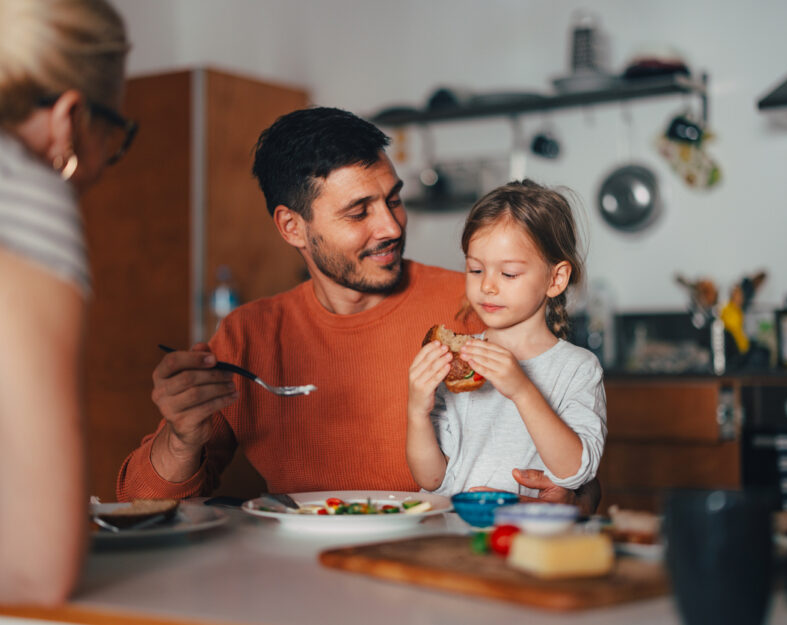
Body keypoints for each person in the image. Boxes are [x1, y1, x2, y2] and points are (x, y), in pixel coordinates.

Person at [117, 107, 600, 512]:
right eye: (358, 211)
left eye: (393, 200)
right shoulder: (249, 336)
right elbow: (139, 504)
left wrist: (572, 497)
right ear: (292, 227)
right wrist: (182, 438)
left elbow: (580, 469)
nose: (390, 225)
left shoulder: (481, 307)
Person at [0, 0, 132, 603]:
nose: (106, 162)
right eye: (116, 134)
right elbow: (36, 569)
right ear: (69, 117)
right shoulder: (27, 189)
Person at [407, 180, 606, 497]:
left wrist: (522, 390)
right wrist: (417, 411)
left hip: (528, 540)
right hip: (451, 535)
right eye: (475, 270)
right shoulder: (459, 364)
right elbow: (431, 479)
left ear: (555, 279)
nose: (487, 286)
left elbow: (574, 473)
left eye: (508, 273)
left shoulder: (577, 368)